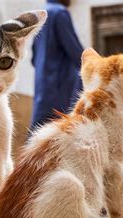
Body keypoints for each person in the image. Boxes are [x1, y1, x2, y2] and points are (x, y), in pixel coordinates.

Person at [31, 0, 84, 128]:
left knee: (37, 134)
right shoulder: (60, 13)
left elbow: (33, 59)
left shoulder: (40, 16)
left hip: (43, 90)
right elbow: (77, 55)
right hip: (61, 90)